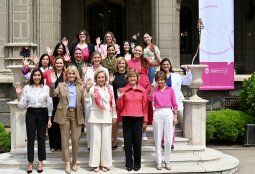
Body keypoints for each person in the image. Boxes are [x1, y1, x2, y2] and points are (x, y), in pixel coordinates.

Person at [16, 68, 53, 173]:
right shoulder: (27, 88)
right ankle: (30, 162)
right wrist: (19, 94)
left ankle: (41, 161)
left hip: (43, 113)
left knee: (41, 138)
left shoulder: (46, 88)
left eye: (39, 75)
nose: (37, 77)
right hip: (31, 113)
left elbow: (49, 105)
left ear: (41, 76)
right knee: (30, 138)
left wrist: (49, 119)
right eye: (35, 75)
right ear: (32, 77)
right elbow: (22, 105)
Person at [50, 65, 84, 174]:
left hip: (76, 115)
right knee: (64, 140)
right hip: (64, 115)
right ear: (66, 74)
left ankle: (74, 161)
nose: (71, 75)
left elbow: (85, 99)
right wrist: (52, 84)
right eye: (69, 73)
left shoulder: (80, 86)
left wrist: (87, 89)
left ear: (76, 75)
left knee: (75, 140)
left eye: (73, 73)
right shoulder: (61, 85)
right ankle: (67, 163)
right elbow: (53, 94)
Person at [84, 69, 117, 172]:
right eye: (99, 77)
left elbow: (113, 103)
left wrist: (114, 115)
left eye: (102, 77)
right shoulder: (93, 88)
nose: (101, 79)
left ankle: (105, 164)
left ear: (105, 78)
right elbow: (86, 97)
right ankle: (95, 164)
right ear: (96, 79)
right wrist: (87, 89)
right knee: (95, 142)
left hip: (107, 116)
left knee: (106, 141)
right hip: (95, 117)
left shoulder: (110, 88)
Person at [128, 45, 161, 141]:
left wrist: (155, 52)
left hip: (145, 88)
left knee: (144, 109)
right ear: (133, 50)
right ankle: (134, 130)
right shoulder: (129, 62)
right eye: (136, 50)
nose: (137, 52)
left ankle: (144, 131)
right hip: (133, 87)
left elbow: (159, 62)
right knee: (135, 109)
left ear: (142, 52)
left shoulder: (145, 61)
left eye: (139, 51)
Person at [116, 70, 148, 172]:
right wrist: (119, 98)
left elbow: (145, 107)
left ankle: (137, 163)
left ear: (137, 78)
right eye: (130, 77)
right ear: (127, 78)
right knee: (128, 142)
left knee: (137, 142)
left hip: (138, 118)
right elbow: (119, 107)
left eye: (134, 77)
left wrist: (145, 121)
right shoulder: (123, 90)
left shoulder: (142, 90)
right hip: (127, 117)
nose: (132, 78)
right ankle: (129, 163)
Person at [148, 71, 178, 170]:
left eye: (161, 79)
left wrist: (175, 116)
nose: (160, 81)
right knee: (157, 138)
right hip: (157, 112)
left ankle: (167, 161)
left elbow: (174, 104)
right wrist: (152, 89)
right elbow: (150, 99)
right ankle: (159, 161)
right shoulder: (155, 90)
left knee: (168, 139)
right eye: (158, 80)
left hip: (168, 112)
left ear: (165, 80)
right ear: (156, 81)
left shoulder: (170, 90)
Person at [160, 58, 192, 149]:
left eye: (167, 64)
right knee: (164, 124)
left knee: (172, 124)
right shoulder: (159, 76)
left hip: (175, 103)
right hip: (163, 103)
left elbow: (187, 81)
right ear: (161, 66)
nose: (166, 66)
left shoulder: (176, 76)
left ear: (170, 65)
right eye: (164, 64)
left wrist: (188, 71)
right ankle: (164, 142)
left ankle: (170, 142)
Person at [82, 51, 109, 150]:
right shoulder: (88, 70)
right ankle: (90, 144)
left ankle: (101, 144)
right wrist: (83, 73)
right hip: (90, 97)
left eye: (98, 57)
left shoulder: (105, 70)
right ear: (92, 59)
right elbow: (84, 85)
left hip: (101, 97)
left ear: (101, 58)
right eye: (95, 57)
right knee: (89, 121)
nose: (97, 59)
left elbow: (107, 85)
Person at [43, 56, 66, 152]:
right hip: (51, 100)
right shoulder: (49, 73)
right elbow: (36, 75)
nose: (59, 65)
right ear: (54, 64)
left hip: (62, 101)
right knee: (51, 122)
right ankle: (53, 145)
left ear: (63, 64)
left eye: (61, 63)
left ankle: (60, 145)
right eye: (57, 63)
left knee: (60, 122)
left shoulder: (66, 74)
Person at [111, 57, 129, 150]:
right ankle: (114, 142)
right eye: (120, 63)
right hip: (116, 102)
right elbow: (110, 89)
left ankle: (127, 143)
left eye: (123, 63)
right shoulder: (114, 75)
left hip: (127, 103)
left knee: (126, 124)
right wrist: (110, 82)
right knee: (114, 123)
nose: (121, 65)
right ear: (117, 65)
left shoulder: (129, 75)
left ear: (126, 64)